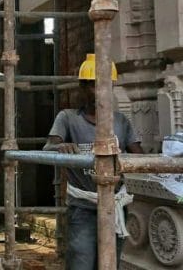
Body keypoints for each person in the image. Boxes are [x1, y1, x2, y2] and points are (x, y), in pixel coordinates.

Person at [44, 53, 143, 270]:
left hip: (115, 205)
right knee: (81, 261)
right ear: (82, 87)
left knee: (109, 264)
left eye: (105, 86)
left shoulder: (121, 121)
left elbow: (138, 156)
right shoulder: (68, 118)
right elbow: (48, 148)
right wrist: (61, 147)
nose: (99, 92)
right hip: (83, 207)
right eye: (93, 86)